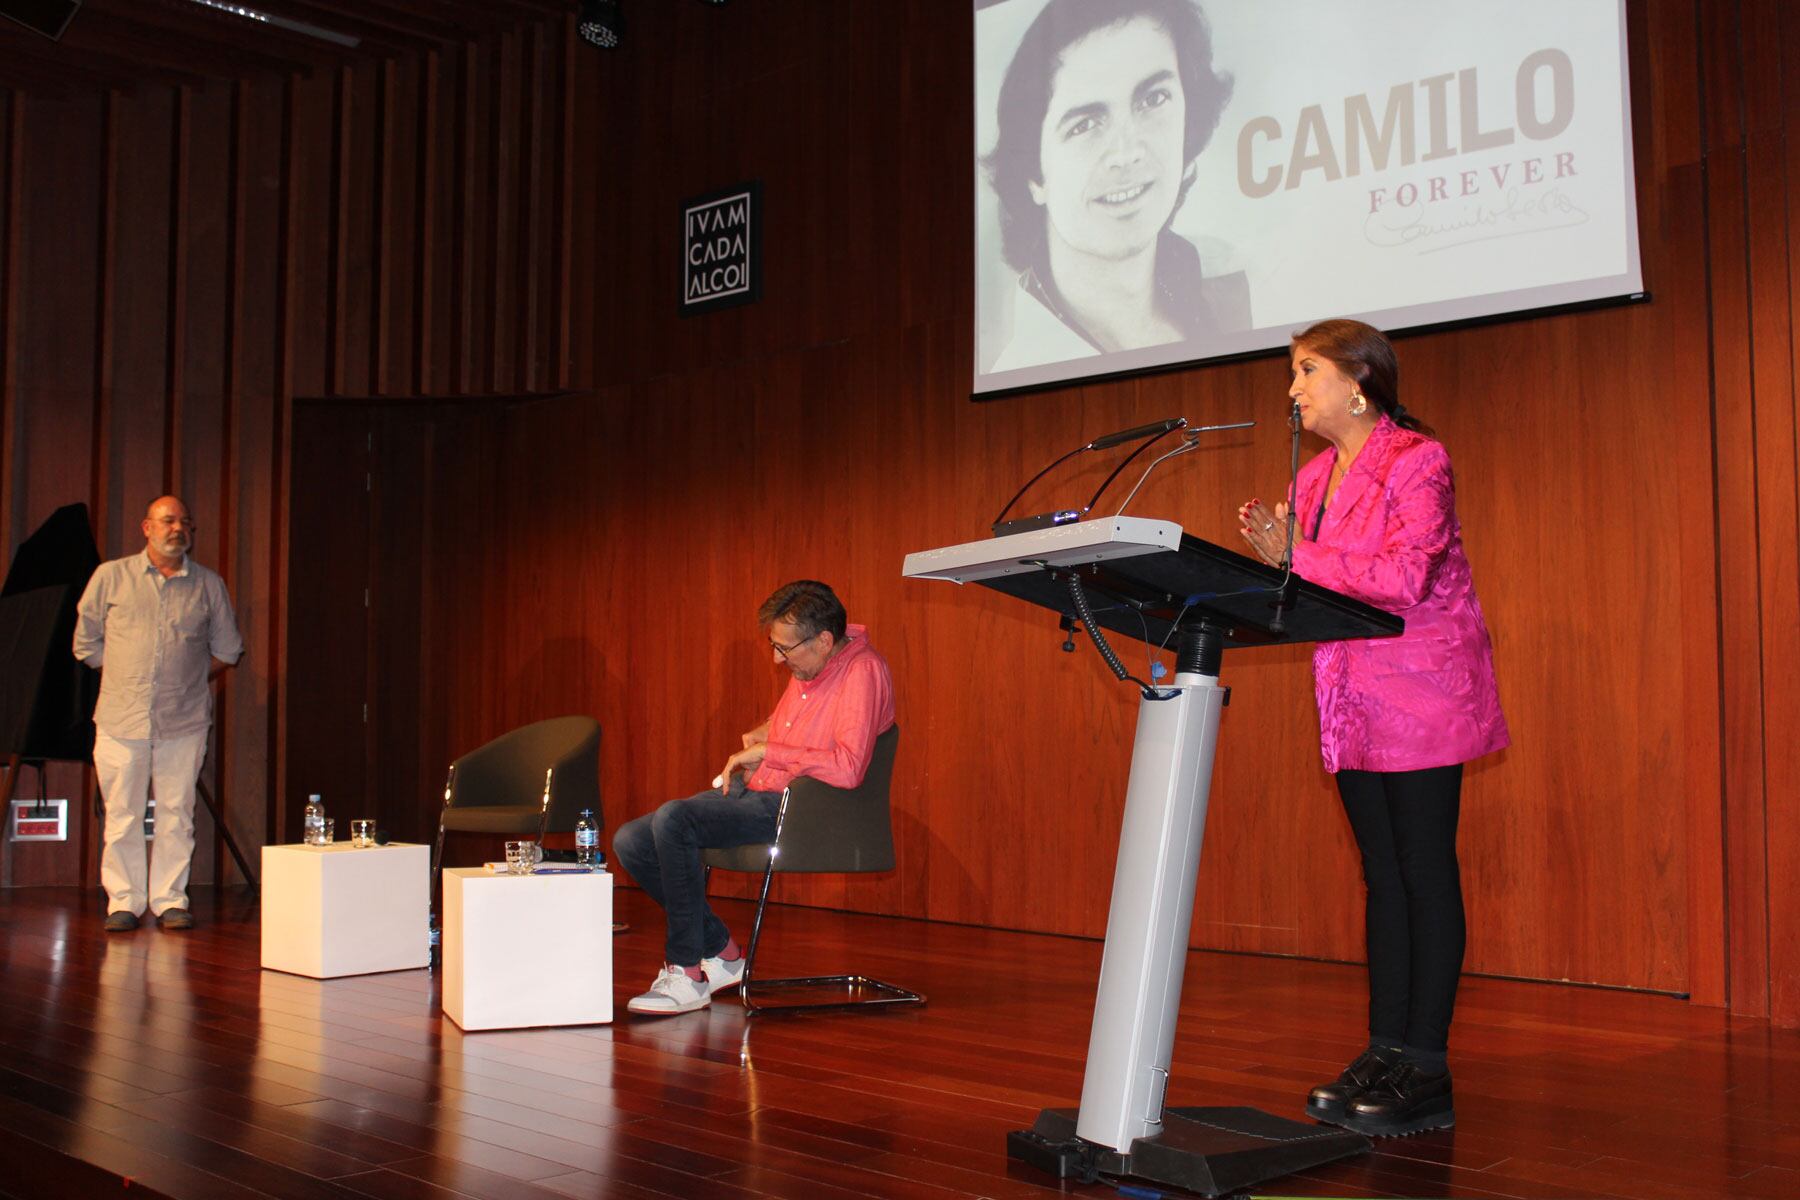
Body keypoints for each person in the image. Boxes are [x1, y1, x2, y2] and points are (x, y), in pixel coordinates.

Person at [1236, 320, 1508, 1137]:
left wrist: (1298, 558)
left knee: (1423, 869)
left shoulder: (1418, 460)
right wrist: (1273, 565)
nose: (1293, 389)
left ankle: (1427, 1064)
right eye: (1293, 373)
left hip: (1423, 694)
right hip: (1352, 698)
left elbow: (1404, 576)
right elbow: (1323, 591)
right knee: (1382, 875)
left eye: (1306, 371)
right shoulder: (1316, 475)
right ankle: (1385, 1047)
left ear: (1359, 380)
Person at [612, 581, 895, 1016]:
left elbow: (849, 766)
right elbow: (808, 727)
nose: (777, 659)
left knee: (674, 820)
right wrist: (767, 732)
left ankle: (687, 972)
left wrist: (770, 751)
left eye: (786, 648)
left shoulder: (862, 671)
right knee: (632, 838)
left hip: (798, 810)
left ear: (823, 639)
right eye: (774, 646)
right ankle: (723, 954)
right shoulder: (815, 666)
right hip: (761, 790)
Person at [982, 0, 1248, 373]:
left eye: (1153, 99)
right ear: (1033, 175)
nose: (1127, 153)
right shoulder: (1027, 367)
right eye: (1085, 125)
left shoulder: (1232, 279)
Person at [73, 496, 244, 933]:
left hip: (183, 720)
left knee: (176, 812)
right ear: (145, 527)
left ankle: (170, 899)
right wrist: (126, 675)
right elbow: (85, 643)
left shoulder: (208, 585)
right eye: (168, 521)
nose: (178, 529)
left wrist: (186, 679)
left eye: (185, 522)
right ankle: (124, 902)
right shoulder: (110, 577)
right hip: (120, 718)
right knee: (123, 813)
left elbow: (228, 650)